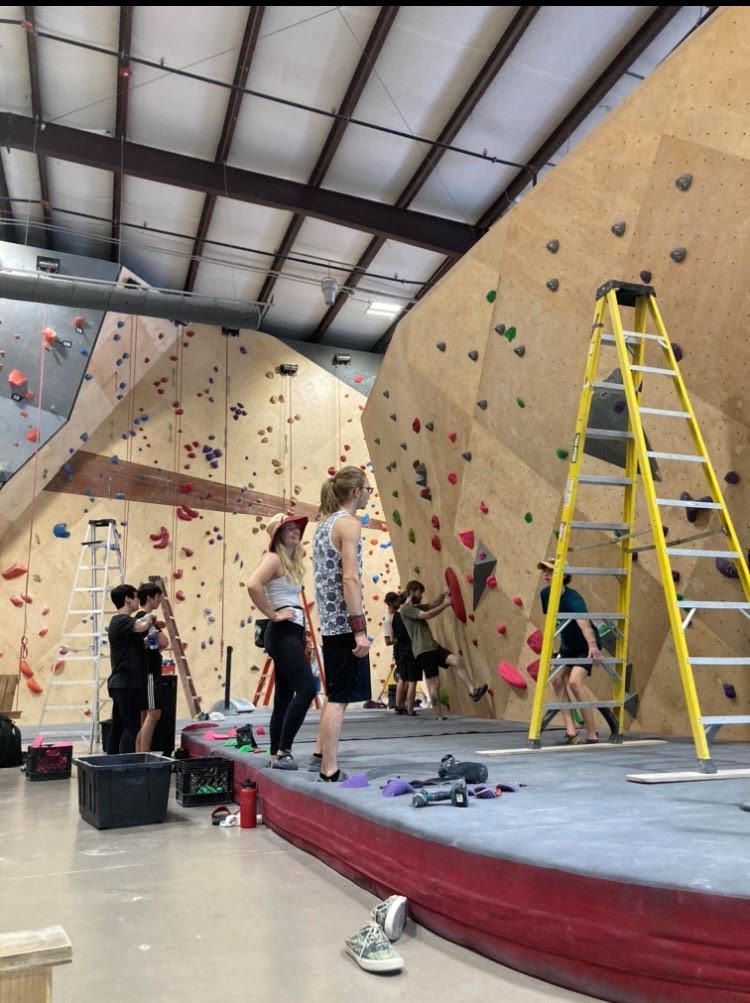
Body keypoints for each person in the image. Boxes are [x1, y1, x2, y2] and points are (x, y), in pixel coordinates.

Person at [309, 466, 373, 782]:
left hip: (331, 621)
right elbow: (349, 577)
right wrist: (359, 629)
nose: (369, 496)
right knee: (340, 698)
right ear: (355, 492)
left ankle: (320, 753)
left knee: (335, 691)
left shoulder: (323, 526)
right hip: (345, 624)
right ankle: (329, 769)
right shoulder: (348, 524)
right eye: (368, 490)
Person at [246, 512, 317, 770]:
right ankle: (284, 750)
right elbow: (253, 584)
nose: (295, 531)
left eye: (296, 528)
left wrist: (301, 632)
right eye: (288, 529)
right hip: (282, 630)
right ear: (278, 535)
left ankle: (276, 754)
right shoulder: (274, 558)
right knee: (307, 688)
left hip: (292, 630)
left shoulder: (288, 562)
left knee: (284, 697)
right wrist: (272, 614)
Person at [537, 558, 617, 744]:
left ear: (564, 575)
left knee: (574, 682)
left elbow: (585, 625)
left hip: (584, 646)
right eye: (544, 571)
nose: (546, 575)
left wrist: (592, 646)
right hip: (568, 646)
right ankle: (571, 732)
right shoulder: (545, 595)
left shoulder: (574, 598)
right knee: (557, 680)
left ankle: (592, 733)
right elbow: (554, 623)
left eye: (550, 571)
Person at [399, 580, 488, 721]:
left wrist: (445, 593)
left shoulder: (416, 606)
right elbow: (426, 615)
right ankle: (439, 716)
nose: (421, 596)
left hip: (433, 646)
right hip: (423, 651)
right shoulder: (405, 609)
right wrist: (446, 605)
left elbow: (433, 604)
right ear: (411, 591)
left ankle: (472, 691)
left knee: (456, 660)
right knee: (435, 683)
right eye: (419, 593)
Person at [106, 583, 154, 754]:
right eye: (135, 598)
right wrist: (149, 616)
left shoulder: (125, 624)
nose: (138, 601)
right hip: (126, 683)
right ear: (127, 600)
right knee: (131, 726)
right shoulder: (121, 620)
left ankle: (111, 761)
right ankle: (125, 763)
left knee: (119, 726)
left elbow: (136, 643)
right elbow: (142, 626)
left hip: (124, 683)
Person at [135, 581, 169, 753]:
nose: (159, 602)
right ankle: (143, 754)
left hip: (148, 670)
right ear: (149, 598)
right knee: (154, 714)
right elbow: (164, 642)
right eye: (157, 599)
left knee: (145, 716)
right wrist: (156, 627)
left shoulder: (146, 620)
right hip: (149, 672)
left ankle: (140, 754)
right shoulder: (145, 619)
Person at [383, 591, 420, 716]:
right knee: (409, 679)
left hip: (400, 650)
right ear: (391, 603)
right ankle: (404, 706)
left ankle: (400, 705)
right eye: (397, 601)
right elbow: (387, 641)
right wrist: (399, 639)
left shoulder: (396, 615)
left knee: (403, 678)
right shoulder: (389, 619)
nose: (399, 603)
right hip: (402, 649)